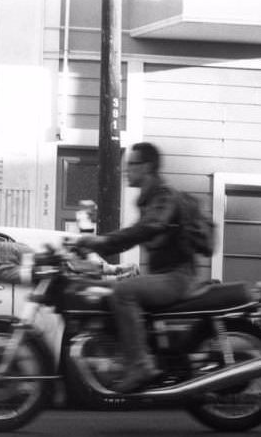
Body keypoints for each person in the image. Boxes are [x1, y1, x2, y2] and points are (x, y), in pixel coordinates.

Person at [75, 142, 197, 393]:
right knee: (109, 288)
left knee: (123, 292)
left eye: (132, 164)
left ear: (147, 167)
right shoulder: (151, 198)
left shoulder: (164, 197)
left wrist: (103, 242)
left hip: (176, 277)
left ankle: (141, 364)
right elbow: (138, 230)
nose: (126, 170)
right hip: (166, 275)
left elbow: (147, 228)